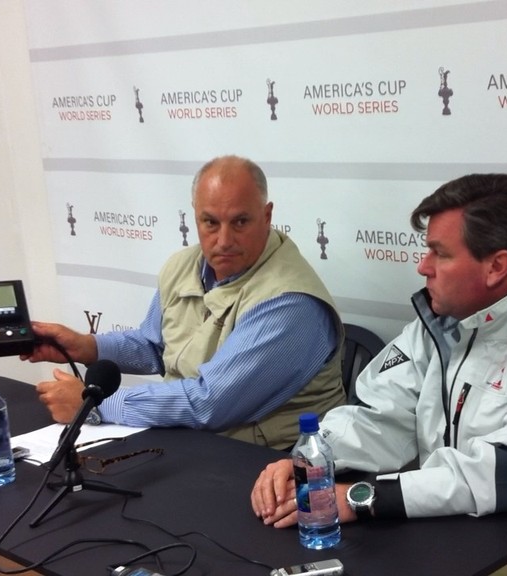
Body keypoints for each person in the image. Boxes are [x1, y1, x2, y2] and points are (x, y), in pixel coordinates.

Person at [250, 173, 507, 575]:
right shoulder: (445, 320)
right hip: (466, 527)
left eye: (439, 253)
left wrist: (364, 498)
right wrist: (314, 459)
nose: (422, 266)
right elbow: (381, 415)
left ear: (497, 266)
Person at [24, 155, 345, 450]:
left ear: (267, 215)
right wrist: (87, 347)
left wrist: (92, 404)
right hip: (197, 443)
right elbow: (155, 346)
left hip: (274, 465)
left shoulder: (289, 303)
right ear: (194, 216)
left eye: (240, 222)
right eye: (210, 222)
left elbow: (211, 403)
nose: (223, 240)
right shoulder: (183, 265)